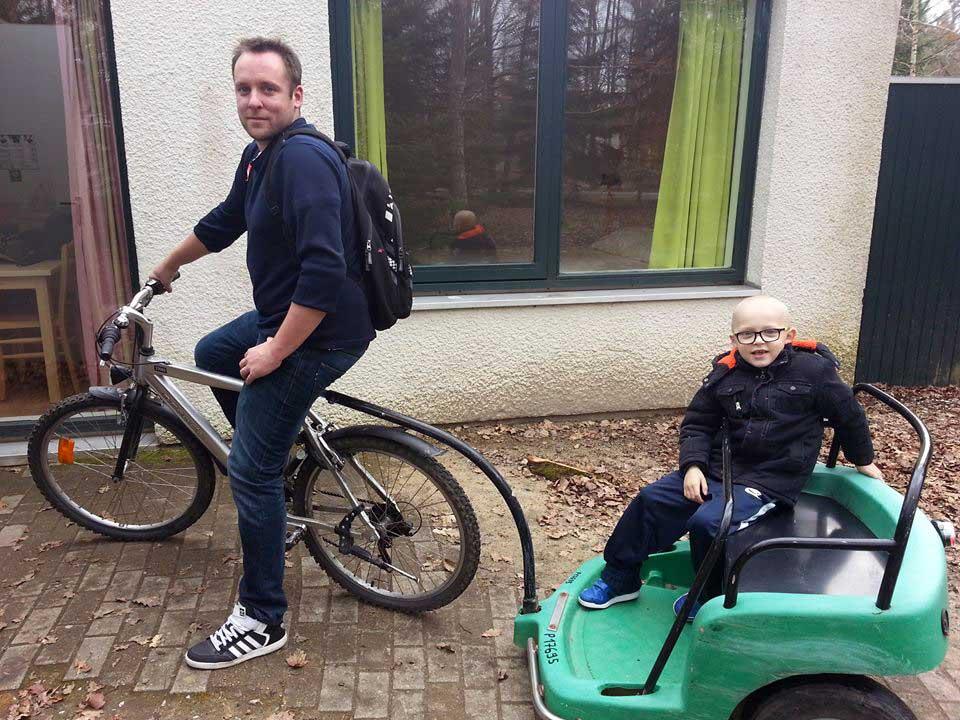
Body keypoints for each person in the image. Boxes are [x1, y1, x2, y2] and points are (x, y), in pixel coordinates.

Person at [149, 37, 375, 669]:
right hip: (287, 317)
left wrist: (275, 350)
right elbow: (227, 220)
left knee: (248, 472)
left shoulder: (301, 159)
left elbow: (324, 274)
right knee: (214, 351)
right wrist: (167, 267)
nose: (254, 100)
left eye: (268, 89)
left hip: (319, 331)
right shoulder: (260, 156)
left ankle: (261, 617)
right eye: (244, 89)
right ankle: (279, 454)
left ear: (295, 96)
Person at [578, 295, 882, 615]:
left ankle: (707, 594)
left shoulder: (814, 372)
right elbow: (698, 423)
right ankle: (621, 577)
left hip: (770, 478)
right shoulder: (726, 372)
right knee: (652, 499)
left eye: (770, 333)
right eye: (747, 335)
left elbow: (850, 416)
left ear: (789, 335)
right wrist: (693, 466)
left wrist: (862, 460)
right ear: (734, 339)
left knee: (710, 523)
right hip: (718, 467)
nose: (758, 342)